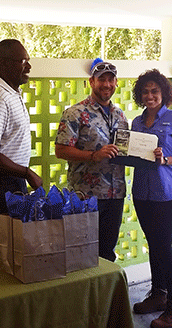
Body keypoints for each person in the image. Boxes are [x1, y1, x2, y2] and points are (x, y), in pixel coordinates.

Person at [131, 69, 172, 328]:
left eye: (154, 91)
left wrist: (165, 159)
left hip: (166, 194)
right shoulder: (136, 122)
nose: (149, 95)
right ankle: (158, 295)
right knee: (154, 246)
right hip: (141, 194)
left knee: (163, 250)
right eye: (145, 91)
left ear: (164, 93)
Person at [55, 60, 128, 262]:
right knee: (82, 254)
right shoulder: (75, 113)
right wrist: (93, 156)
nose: (106, 84)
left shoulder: (120, 115)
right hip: (86, 195)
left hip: (115, 194)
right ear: (91, 82)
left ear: (116, 83)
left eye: (110, 80)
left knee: (107, 253)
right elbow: (60, 150)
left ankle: (105, 293)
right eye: (101, 79)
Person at [0, 39, 43, 244]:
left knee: (14, 244)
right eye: (23, 61)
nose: (28, 67)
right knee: (4, 244)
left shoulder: (10, 92)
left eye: (28, 60)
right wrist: (27, 173)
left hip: (10, 178)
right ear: (3, 64)